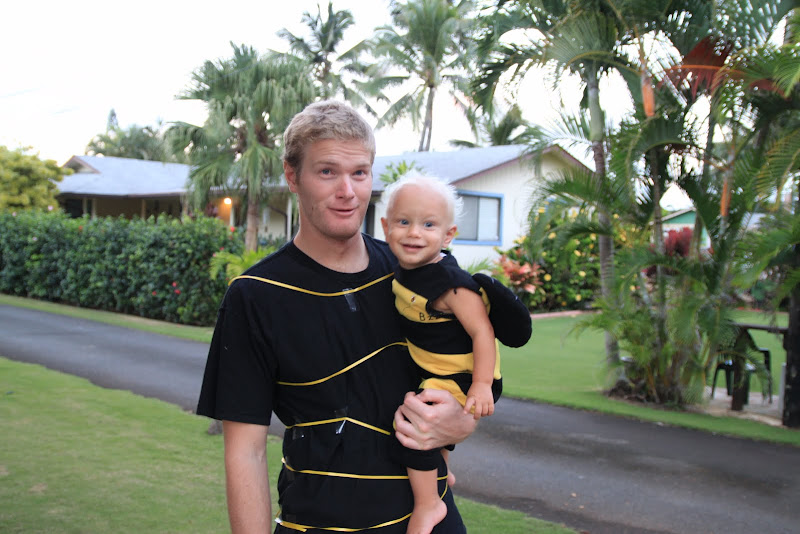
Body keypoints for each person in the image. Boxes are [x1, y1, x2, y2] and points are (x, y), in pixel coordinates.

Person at [196, 100, 477, 534]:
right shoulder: (256, 296)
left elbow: (465, 374)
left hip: (431, 521)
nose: (348, 191)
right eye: (327, 171)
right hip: (319, 523)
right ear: (292, 176)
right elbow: (245, 452)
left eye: (360, 172)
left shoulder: (419, 275)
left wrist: (462, 422)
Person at [380, 175, 513, 534]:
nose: (414, 233)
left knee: (412, 426)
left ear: (448, 235)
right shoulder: (405, 271)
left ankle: (429, 505)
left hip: (465, 374)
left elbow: (483, 331)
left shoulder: (452, 285)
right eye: (403, 221)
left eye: (428, 224)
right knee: (428, 421)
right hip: (437, 369)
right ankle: (441, 471)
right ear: (386, 227)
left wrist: (481, 385)